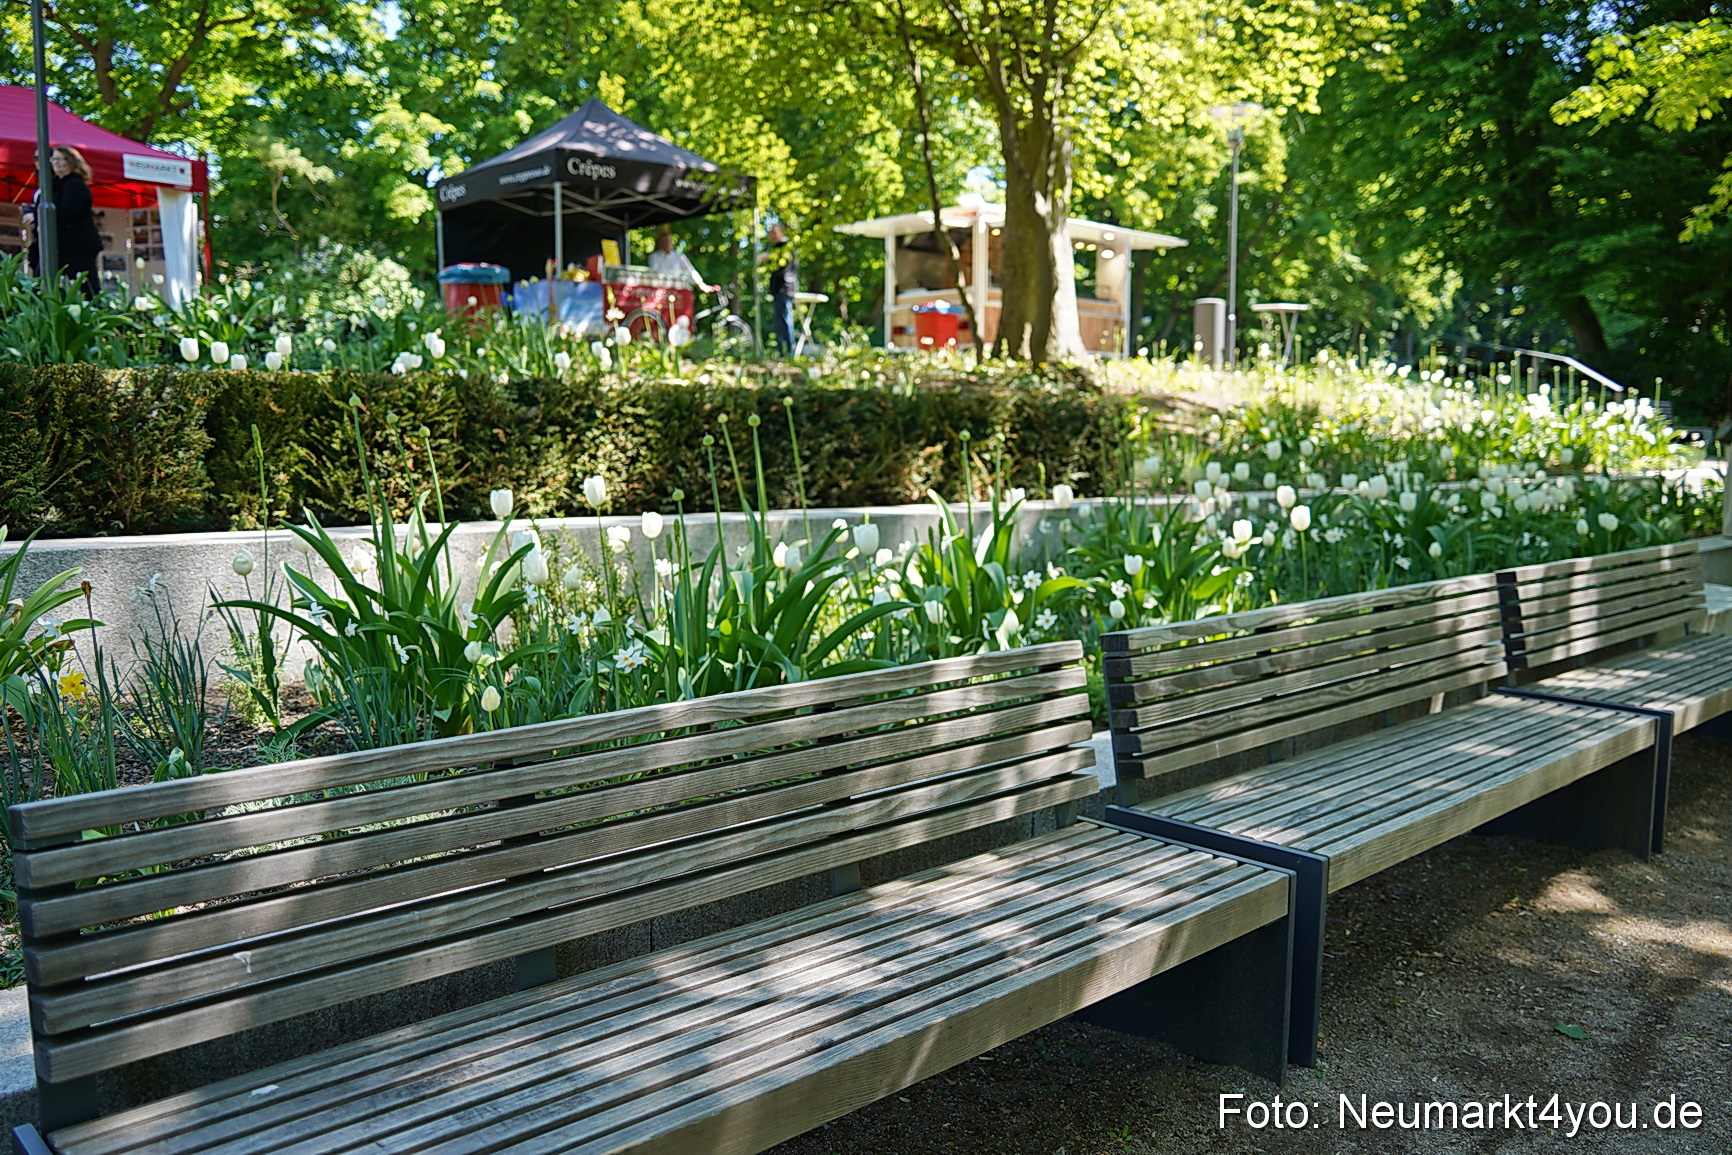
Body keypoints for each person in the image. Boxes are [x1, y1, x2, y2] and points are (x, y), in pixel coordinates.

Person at [29, 145, 104, 298]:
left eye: (60, 159)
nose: (55, 163)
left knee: (83, 287)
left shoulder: (75, 185)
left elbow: (67, 212)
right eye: (53, 159)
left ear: (71, 162)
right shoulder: (54, 185)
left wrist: (39, 215)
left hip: (76, 247)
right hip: (60, 246)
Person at [759, 223, 798, 355]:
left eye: (774, 233)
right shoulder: (778, 248)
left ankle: (788, 351)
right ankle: (782, 351)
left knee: (785, 319)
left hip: (785, 288)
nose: (772, 236)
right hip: (779, 289)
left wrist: (769, 260)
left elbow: (783, 269)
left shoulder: (785, 248)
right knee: (779, 321)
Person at [645, 226, 716, 292]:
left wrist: (702, 286)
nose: (666, 243)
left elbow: (690, 271)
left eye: (668, 240)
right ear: (659, 243)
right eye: (663, 241)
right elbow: (653, 274)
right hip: (659, 290)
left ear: (672, 242)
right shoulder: (653, 256)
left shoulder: (679, 256)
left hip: (677, 290)